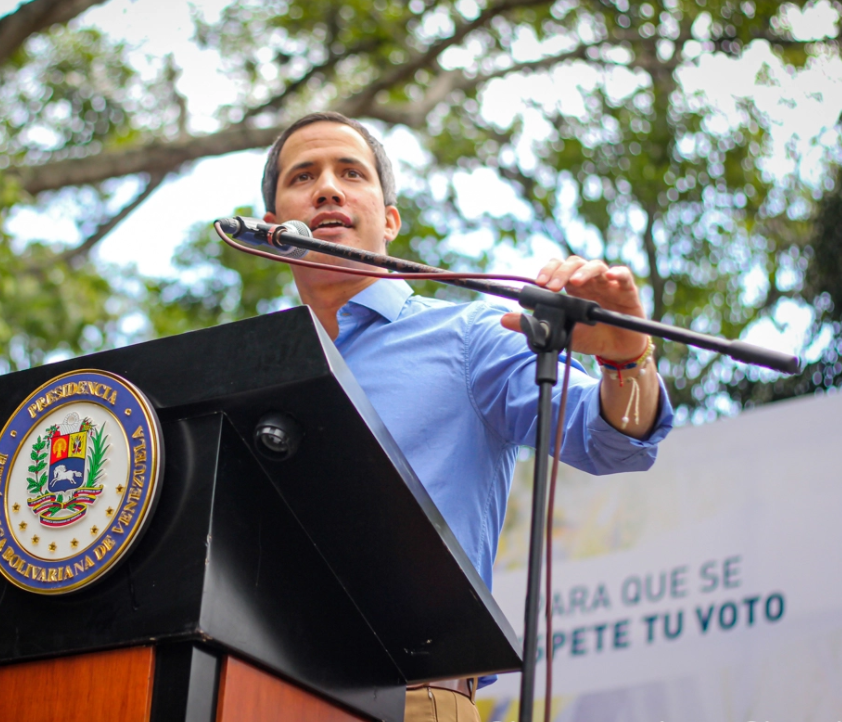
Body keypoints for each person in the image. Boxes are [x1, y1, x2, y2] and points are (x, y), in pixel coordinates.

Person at [259, 112, 674, 722]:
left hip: (414, 697)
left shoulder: (470, 335)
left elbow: (615, 441)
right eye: (304, 176)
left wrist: (625, 358)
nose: (327, 188)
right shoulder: (252, 370)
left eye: (351, 172)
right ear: (271, 230)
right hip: (248, 691)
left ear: (390, 219)